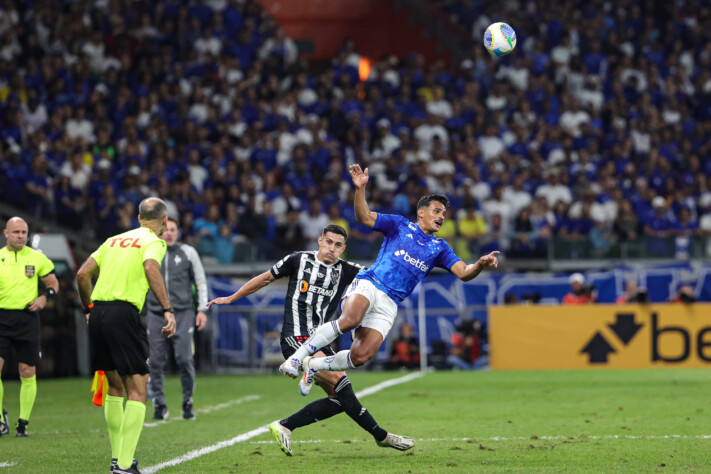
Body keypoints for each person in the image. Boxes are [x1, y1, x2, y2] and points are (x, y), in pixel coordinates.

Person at [281, 165, 499, 407]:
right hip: (370, 283)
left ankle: (314, 364)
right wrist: (361, 188)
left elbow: (464, 273)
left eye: (444, 214)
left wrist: (479, 263)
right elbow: (364, 217)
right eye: (436, 211)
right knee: (350, 320)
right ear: (421, 213)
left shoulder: (440, 248)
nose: (441, 217)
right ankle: (297, 357)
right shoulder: (398, 225)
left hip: (390, 302)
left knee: (360, 356)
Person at [207, 224, 414, 455]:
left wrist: (406, 260)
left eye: (337, 245)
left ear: (343, 248)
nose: (331, 249)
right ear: (319, 241)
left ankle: (285, 426)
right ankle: (381, 436)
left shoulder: (347, 270)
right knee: (341, 383)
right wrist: (232, 297)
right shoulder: (297, 260)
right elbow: (266, 278)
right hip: (295, 337)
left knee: (340, 399)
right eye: (328, 242)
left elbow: (376, 278)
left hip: (320, 341)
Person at [76, 198, 176, 474]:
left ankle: (118, 458)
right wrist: (167, 308)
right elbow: (150, 268)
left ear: (139, 217)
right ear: (164, 220)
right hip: (123, 314)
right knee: (138, 388)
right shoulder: (154, 242)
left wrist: (88, 309)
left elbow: (82, 274)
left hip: (98, 313)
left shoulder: (112, 240)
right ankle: (123, 465)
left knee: (115, 387)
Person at [0, 217, 59, 437]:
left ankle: (22, 423)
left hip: (27, 318)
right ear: (6, 234)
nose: (20, 236)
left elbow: (53, 283)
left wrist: (45, 298)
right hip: (2, 317)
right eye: (16, 232)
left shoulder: (37, 257)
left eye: (24, 232)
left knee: (27, 370)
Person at [145, 217, 208, 421]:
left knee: (184, 359)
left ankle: (187, 402)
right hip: (156, 313)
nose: (169, 233)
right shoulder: (151, 252)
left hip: (182, 313)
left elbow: (200, 282)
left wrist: (201, 310)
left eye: (173, 229)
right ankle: (159, 405)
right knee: (155, 361)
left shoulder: (188, 252)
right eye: (166, 229)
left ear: (178, 232)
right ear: (159, 232)